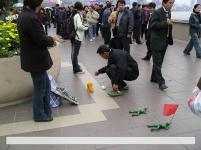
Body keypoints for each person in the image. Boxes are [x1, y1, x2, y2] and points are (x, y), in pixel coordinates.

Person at [17, 0, 60, 122]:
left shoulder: (23, 15)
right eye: (39, 3)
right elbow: (40, 39)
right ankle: (39, 115)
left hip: (33, 59)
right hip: (36, 61)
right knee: (40, 89)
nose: (40, 6)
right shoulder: (31, 18)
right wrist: (52, 39)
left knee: (45, 86)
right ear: (35, 4)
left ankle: (46, 111)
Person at [149, 0, 174, 90]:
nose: (171, 5)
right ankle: (161, 82)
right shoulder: (157, 12)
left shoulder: (169, 12)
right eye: (169, 3)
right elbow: (152, 25)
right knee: (157, 62)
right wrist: (165, 23)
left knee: (159, 62)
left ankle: (154, 78)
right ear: (164, 3)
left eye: (172, 3)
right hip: (156, 41)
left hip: (165, 41)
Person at [71, 2, 88, 74]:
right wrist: (86, 27)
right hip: (77, 36)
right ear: (81, 8)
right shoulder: (78, 15)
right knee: (75, 53)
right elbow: (80, 26)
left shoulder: (73, 14)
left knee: (73, 52)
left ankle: (76, 66)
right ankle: (76, 69)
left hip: (73, 35)